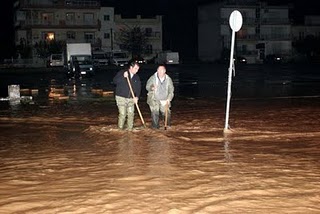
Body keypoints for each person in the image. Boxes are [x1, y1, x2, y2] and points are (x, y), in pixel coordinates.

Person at [113, 61, 141, 131]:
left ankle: (130, 130)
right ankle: (120, 129)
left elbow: (138, 88)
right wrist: (123, 76)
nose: (137, 71)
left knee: (131, 114)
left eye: (138, 69)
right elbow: (114, 81)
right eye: (136, 69)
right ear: (131, 67)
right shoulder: (122, 73)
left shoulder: (136, 77)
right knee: (123, 114)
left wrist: (137, 97)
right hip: (121, 97)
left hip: (131, 98)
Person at [146, 64, 174, 129]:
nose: (160, 71)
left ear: (165, 71)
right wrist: (151, 88)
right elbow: (147, 87)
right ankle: (155, 128)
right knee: (155, 114)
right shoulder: (152, 78)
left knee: (167, 113)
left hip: (164, 99)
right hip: (154, 99)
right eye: (158, 70)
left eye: (161, 70)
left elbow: (171, 90)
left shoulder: (168, 79)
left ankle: (168, 126)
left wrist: (169, 99)